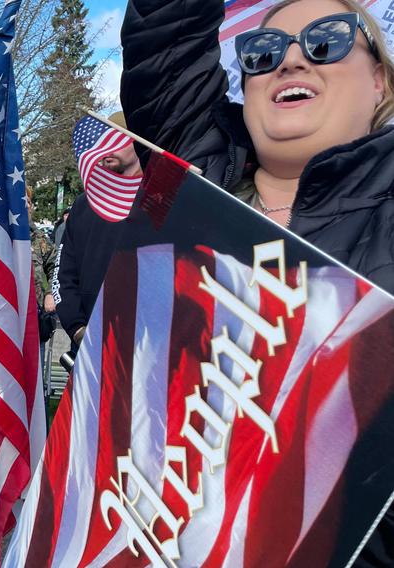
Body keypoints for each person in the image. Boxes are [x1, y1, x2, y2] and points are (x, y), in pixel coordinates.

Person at [121, 0, 394, 563]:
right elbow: (165, 45)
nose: (291, 61)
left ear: (379, 80)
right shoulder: (195, 172)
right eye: (263, 54)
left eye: (328, 39)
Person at [52, 112, 142, 352]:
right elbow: (63, 275)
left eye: (116, 139)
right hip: (85, 348)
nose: (105, 149)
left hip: (141, 347)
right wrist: (78, 329)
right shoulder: (85, 203)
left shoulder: (159, 200)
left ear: (138, 143)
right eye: (102, 141)